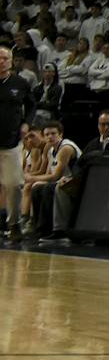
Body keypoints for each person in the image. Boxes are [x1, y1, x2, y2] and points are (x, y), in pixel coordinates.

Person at [0, 49, 33, 242]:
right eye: (0, 59)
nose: (2, 62)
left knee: (13, 185)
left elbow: (31, 105)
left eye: (6, 59)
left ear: (11, 62)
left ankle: (14, 224)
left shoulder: (20, 84)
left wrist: (26, 122)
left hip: (11, 143)